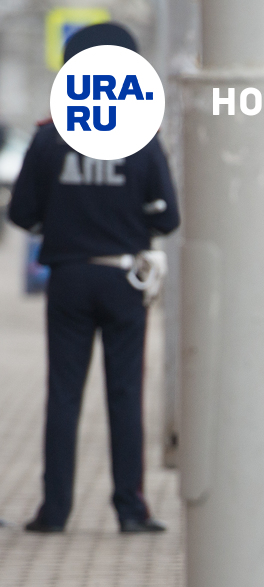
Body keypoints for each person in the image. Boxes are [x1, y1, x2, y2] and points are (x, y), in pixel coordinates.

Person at [8, 22, 180, 534]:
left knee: (63, 394)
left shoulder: (46, 138)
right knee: (125, 394)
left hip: (67, 279)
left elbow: (20, 214)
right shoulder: (142, 141)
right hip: (124, 279)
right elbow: (168, 218)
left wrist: (60, 220)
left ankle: (54, 511)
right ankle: (130, 510)